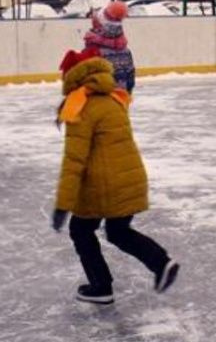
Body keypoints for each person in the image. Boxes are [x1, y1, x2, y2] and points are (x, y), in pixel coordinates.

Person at [51, 55, 179, 304]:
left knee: (80, 229)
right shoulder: (112, 98)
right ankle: (162, 263)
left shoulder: (80, 106)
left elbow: (73, 162)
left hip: (105, 185)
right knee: (118, 231)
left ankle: (101, 287)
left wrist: (62, 205)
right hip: (129, 179)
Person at [59, 0, 135, 96]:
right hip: (120, 102)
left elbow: (80, 82)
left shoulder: (93, 52)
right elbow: (130, 82)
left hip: (100, 102)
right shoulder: (126, 51)